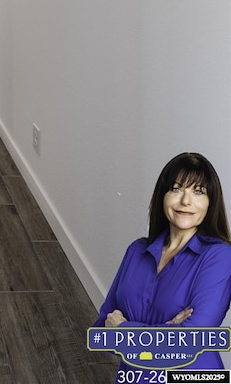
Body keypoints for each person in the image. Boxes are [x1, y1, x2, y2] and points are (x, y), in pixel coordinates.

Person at [94, 152, 231, 376]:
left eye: (198, 191)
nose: (185, 201)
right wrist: (169, 329)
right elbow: (101, 329)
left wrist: (123, 328)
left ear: (210, 202)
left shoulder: (220, 257)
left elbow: (191, 342)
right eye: (176, 189)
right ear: (162, 196)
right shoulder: (137, 251)